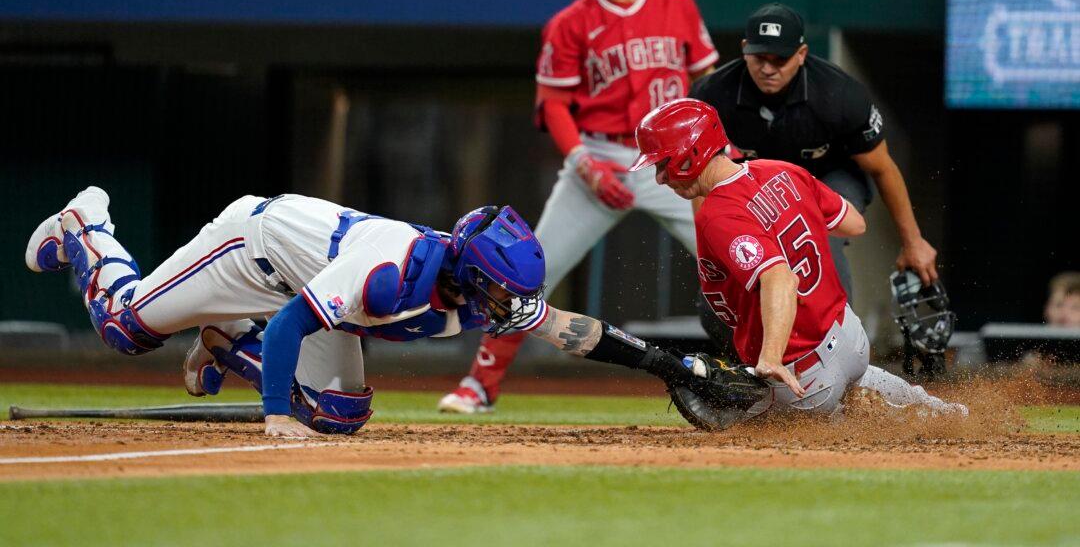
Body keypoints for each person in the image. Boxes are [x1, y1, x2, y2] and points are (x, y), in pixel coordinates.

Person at [26, 187, 734, 438]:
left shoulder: (480, 286)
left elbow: (572, 331)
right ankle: (86, 224)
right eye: (498, 292)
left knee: (341, 415)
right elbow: (295, 324)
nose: (508, 308)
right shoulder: (391, 271)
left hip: (305, 289)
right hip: (252, 248)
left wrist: (666, 365)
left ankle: (221, 337)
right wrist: (273, 418)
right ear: (467, 271)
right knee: (123, 330)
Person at [439, 0, 719, 414]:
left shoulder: (677, 4)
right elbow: (553, 104)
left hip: (675, 159)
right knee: (522, 271)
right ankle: (481, 383)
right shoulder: (572, 22)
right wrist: (586, 165)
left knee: (734, 254)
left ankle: (779, 367)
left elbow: (708, 81)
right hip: (599, 154)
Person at [628, 99, 966, 417]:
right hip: (848, 335)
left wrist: (770, 358)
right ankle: (937, 413)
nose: (660, 177)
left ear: (693, 153)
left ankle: (846, 419)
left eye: (663, 163)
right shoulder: (780, 169)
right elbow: (854, 224)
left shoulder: (716, 215)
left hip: (799, 370)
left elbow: (778, 277)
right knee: (856, 387)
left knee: (726, 424)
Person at [691, 3, 938, 309]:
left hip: (832, 174)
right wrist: (713, 243)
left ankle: (838, 334)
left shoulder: (840, 96)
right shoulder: (711, 94)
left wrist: (913, 241)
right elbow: (701, 174)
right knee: (733, 258)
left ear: (802, 54)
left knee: (817, 235)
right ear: (744, 49)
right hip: (758, 181)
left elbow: (883, 169)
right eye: (759, 57)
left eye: (780, 58)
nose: (768, 68)